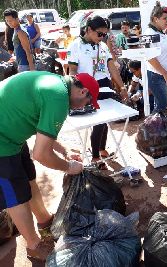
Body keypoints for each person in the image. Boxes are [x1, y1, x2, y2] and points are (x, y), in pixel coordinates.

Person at [0, 71, 99, 261]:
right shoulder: (59, 98)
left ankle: (44, 221)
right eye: (88, 102)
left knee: (29, 180)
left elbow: (43, 133)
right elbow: (41, 154)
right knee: (15, 196)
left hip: (11, 136)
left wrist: (65, 151)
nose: (84, 107)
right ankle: (34, 245)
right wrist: (69, 167)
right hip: (2, 142)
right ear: (83, 91)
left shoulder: (56, 85)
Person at [68, 15, 128, 170]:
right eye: (99, 34)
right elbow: (72, 71)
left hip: (105, 85)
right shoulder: (76, 46)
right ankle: (95, 156)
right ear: (88, 30)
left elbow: (112, 68)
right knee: (98, 121)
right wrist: (74, 92)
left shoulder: (102, 46)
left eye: (105, 34)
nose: (102, 37)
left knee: (105, 120)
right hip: (87, 87)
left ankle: (101, 148)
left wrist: (121, 87)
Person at [145, 1, 167, 112]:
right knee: (162, 106)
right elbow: (150, 57)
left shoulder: (160, 32)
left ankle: (155, 127)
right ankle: (152, 128)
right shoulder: (150, 33)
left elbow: (165, 52)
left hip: (163, 74)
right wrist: (165, 73)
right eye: (164, 18)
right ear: (155, 19)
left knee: (160, 105)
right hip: (157, 75)